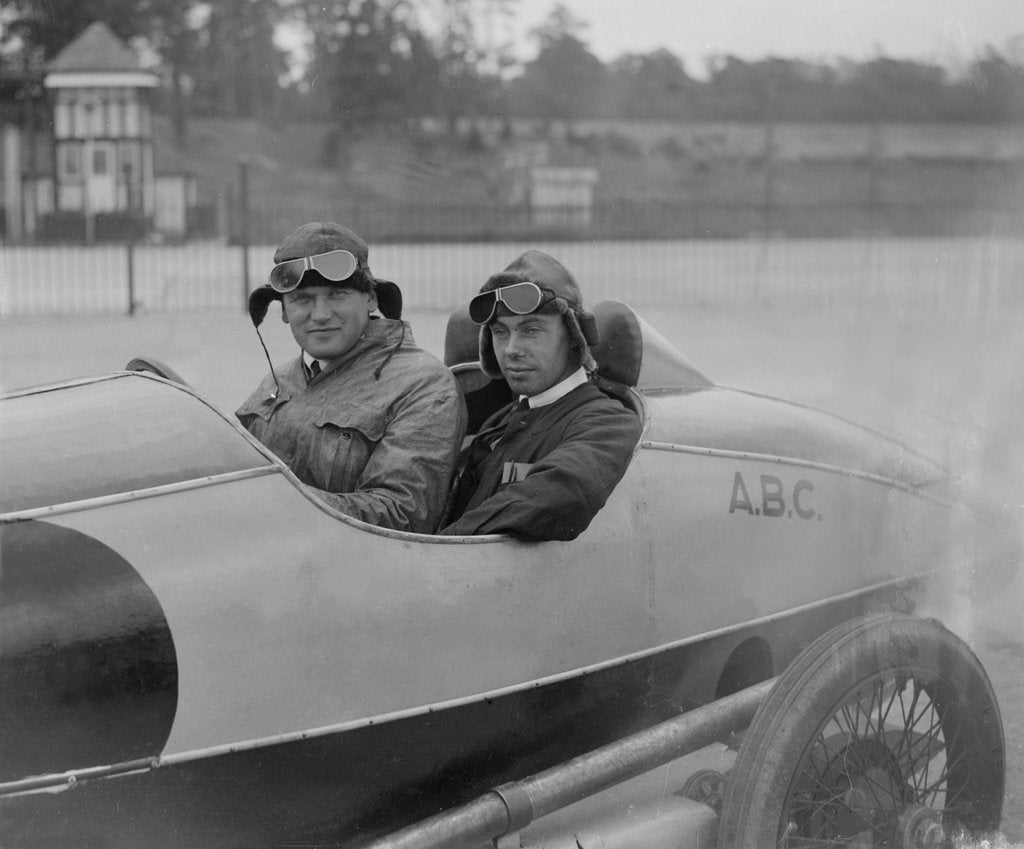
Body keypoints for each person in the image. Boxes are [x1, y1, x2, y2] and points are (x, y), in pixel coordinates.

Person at [237, 221, 466, 534]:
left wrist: (272, 500)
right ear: (284, 311)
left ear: (371, 299)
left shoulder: (423, 385)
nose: (320, 314)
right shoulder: (278, 380)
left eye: (337, 294)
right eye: (302, 299)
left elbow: (402, 513)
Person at [438, 250, 642, 541]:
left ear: (574, 337)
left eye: (531, 330)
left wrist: (441, 547)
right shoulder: (498, 424)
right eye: (500, 332)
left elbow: (559, 492)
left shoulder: (607, 423)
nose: (511, 349)